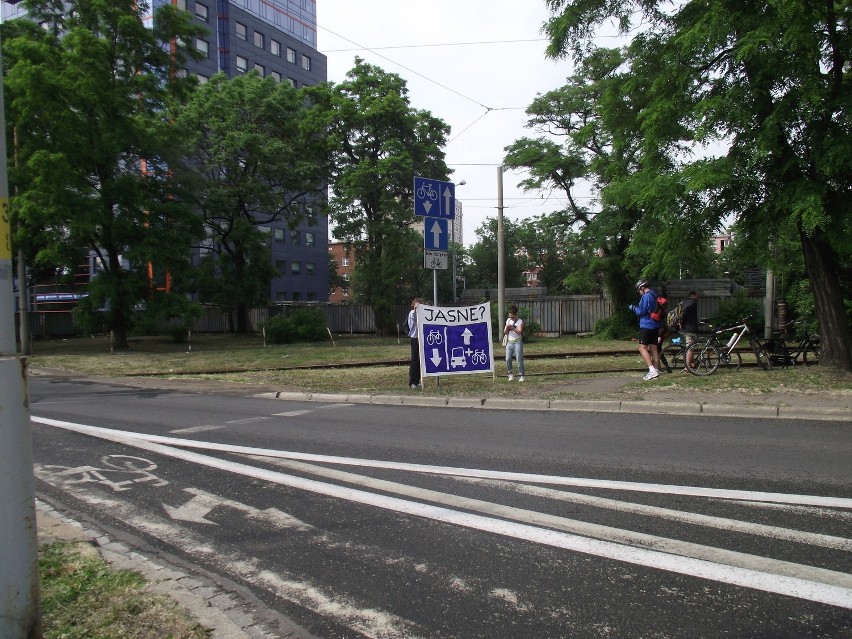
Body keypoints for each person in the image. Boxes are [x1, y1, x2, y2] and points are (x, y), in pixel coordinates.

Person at [628, 280, 661, 380]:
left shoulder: (646, 296)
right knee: (654, 349)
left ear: (642, 288)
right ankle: (656, 371)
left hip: (647, 325)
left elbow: (641, 311)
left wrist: (633, 308)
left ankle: (651, 370)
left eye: (639, 290)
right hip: (655, 325)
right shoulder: (654, 295)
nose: (639, 293)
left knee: (642, 348)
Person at [679, 290, 700, 371]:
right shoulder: (692, 302)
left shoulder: (685, 301)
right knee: (690, 347)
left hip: (687, 328)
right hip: (690, 328)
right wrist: (680, 319)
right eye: (697, 294)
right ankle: (687, 367)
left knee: (691, 347)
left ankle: (691, 364)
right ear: (693, 294)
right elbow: (684, 310)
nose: (699, 296)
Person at [503, 305, 525, 382]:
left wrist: (512, 328)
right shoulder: (508, 320)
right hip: (510, 342)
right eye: (510, 316)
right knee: (508, 359)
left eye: (512, 317)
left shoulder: (520, 321)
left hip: (517, 341)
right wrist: (508, 329)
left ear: (516, 315)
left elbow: (519, 332)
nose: (511, 318)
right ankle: (510, 374)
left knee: (519, 359)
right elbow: (505, 332)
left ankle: (521, 375)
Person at [406, 298, 423, 389]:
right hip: (415, 339)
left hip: (421, 339)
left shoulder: (422, 314)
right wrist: (416, 309)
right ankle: (412, 382)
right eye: (417, 304)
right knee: (415, 361)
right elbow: (415, 318)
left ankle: (417, 381)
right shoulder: (412, 313)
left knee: (420, 361)